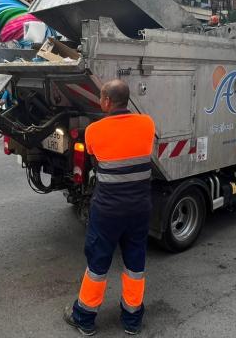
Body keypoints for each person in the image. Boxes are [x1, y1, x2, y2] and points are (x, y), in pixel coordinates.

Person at [63, 79, 155, 336]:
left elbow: (94, 157)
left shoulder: (94, 131)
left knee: (98, 263)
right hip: (139, 209)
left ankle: (84, 318)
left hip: (108, 211)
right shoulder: (147, 124)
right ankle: (132, 320)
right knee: (135, 263)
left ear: (106, 101)